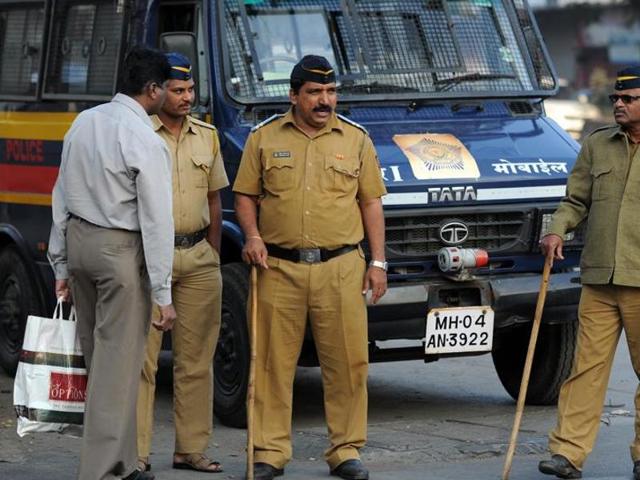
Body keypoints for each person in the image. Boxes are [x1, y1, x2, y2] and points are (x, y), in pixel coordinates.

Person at [233, 55, 387, 480]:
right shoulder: (263, 138)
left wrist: (378, 261)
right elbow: (244, 195)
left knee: (349, 363)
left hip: (341, 267)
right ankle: (269, 451)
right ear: (294, 96)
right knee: (269, 363)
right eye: (315, 93)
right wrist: (252, 235)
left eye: (331, 92)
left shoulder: (355, 139)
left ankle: (346, 450)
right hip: (277, 268)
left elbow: (370, 201)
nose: (325, 101)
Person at [47, 47, 176, 480]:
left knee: (98, 356)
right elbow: (157, 220)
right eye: (166, 89)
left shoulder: (84, 122)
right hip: (120, 250)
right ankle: (100, 471)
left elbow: (60, 195)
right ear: (153, 89)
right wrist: (164, 293)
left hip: (80, 243)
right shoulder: (145, 138)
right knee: (116, 369)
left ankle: (123, 462)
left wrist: (60, 265)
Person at [538, 65, 640, 480]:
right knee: (585, 371)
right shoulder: (598, 145)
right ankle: (567, 454)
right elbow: (575, 199)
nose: (617, 104)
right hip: (598, 278)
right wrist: (556, 230)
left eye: (627, 99)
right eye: (615, 98)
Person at [135, 52, 228, 474]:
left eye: (191, 90)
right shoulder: (138, 133)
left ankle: (190, 448)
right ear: (157, 90)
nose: (187, 97)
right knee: (143, 362)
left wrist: (211, 250)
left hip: (198, 258)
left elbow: (214, 198)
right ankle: (134, 454)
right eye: (177, 90)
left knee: (197, 359)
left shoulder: (206, 136)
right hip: (151, 259)